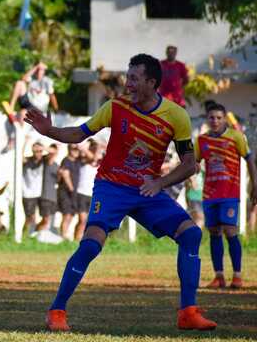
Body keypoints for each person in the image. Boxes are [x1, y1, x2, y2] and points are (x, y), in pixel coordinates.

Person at [25, 53, 216, 331]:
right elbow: (79, 134)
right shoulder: (115, 107)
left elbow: (189, 165)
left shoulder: (176, 116)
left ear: (152, 82)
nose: (128, 84)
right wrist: (49, 130)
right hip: (111, 187)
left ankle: (188, 312)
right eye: (128, 77)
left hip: (146, 190)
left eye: (135, 78)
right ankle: (57, 311)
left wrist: (159, 183)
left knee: (191, 234)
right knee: (90, 244)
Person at [195, 103, 257, 289]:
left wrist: (255, 184)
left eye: (219, 118)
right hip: (209, 195)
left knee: (230, 231)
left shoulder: (236, 136)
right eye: (211, 117)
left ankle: (237, 275)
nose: (215, 121)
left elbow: (250, 159)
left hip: (230, 193)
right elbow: (195, 162)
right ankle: (219, 276)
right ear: (207, 119)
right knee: (214, 233)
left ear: (224, 119)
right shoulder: (201, 140)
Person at [2, 63, 59, 153]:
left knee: (23, 113)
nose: (38, 72)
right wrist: (36, 67)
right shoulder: (32, 79)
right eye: (37, 70)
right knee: (19, 83)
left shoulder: (47, 81)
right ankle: (11, 107)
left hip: (39, 108)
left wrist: (56, 109)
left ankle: (15, 138)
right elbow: (23, 78)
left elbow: (52, 95)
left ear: (44, 71)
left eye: (41, 70)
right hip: (29, 103)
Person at [74, 140, 101, 241]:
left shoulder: (98, 160)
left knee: (88, 221)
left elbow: (96, 158)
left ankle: (81, 239)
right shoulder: (82, 159)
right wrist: (91, 147)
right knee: (82, 220)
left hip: (92, 194)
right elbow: (92, 158)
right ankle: (75, 239)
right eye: (92, 148)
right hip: (82, 193)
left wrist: (98, 147)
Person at [58, 144, 82, 240]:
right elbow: (65, 174)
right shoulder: (66, 160)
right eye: (74, 149)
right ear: (69, 149)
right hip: (66, 192)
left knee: (71, 215)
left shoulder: (77, 161)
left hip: (73, 192)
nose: (76, 151)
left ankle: (66, 235)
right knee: (67, 215)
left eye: (77, 149)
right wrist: (71, 189)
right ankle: (63, 236)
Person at [22, 142, 44, 235]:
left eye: (40, 151)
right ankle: (23, 235)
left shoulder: (44, 160)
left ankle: (32, 234)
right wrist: (25, 142)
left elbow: (54, 153)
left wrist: (43, 147)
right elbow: (20, 156)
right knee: (30, 217)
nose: (38, 153)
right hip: (28, 194)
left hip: (39, 194)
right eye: (35, 151)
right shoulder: (27, 160)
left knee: (43, 217)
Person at [37, 144, 60, 232]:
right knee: (45, 220)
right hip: (45, 196)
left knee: (49, 221)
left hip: (53, 197)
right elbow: (54, 152)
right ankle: (33, 234)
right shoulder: (46, 162)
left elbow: (57, 181)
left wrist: (60, 175)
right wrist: (45, 148)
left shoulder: (56, 165)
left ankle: (37, 235)